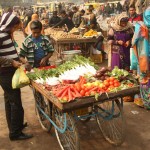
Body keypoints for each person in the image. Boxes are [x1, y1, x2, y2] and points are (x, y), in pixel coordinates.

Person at [0, 12, 33, 141]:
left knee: (9, 101)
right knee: (15, 103)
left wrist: (20, 59)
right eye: (15, 26)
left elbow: (9, 52)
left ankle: (16, 126)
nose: (16, 29)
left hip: (10, 72)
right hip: (5, 74)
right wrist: (12, 62)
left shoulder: (7, 35)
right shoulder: (1, 35)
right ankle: (15, 133)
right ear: (10, 25)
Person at [131, 7, 150, 109]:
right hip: (144, 59)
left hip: (143, 58)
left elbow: (133, 42)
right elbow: (134, 43)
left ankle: (146, 101)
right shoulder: (141, 27)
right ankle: (146, 102)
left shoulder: (140, 27)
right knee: (145, 79)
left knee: (145, 79)